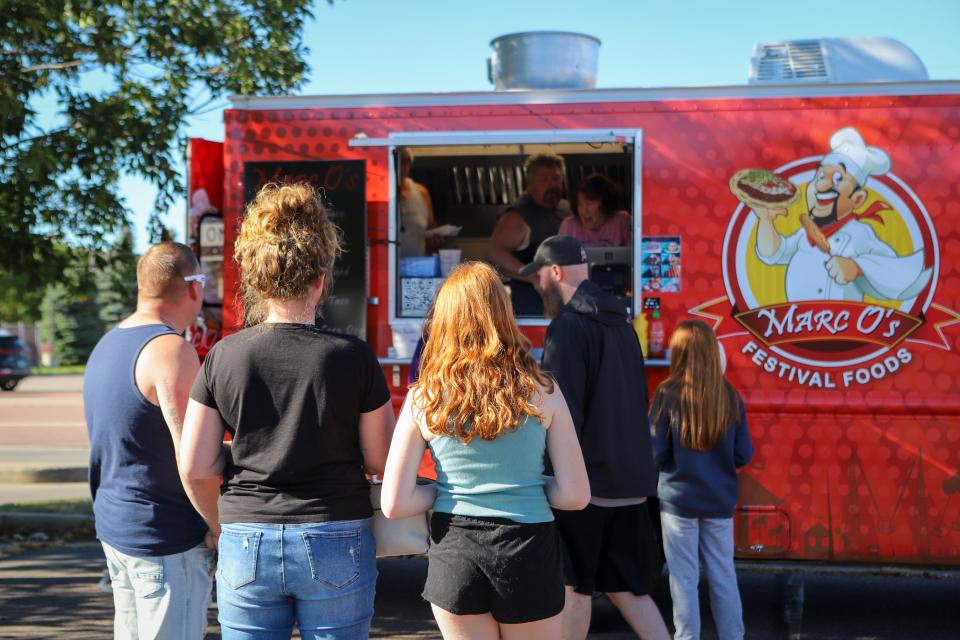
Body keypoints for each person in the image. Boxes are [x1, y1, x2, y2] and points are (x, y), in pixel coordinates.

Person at [179, 182, 395, 640]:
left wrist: (235, 484)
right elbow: (380, 459)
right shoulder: (353, 356)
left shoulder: (224, 355)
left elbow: (194, 462)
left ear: (256, 280)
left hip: (245, 533)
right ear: (321, 278)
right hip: (336, 529)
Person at [381, 261, 590, 639]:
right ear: (503, 315)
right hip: (528, 548)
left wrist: (444, 490)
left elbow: (394, 504)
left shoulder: (422, 397)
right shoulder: (543, 390)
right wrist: (523, 484)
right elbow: (576, 496)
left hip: (455, 550)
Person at [524, 235, 671, 640]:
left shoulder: (567, 328)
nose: (537, 285)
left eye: (538, 275)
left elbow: (561, 413)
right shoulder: (622, 321)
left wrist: (545, 475)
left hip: (587, 486)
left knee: (574, 589)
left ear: (555, 272)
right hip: (632, 483)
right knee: (627, 589)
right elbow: (639, 397)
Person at [84, 241, 214, 639]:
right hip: (165, 540)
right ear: (193, 287)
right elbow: (191, 456)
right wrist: (218, 525)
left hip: (117, 529)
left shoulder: (107, 343)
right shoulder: (171, 350)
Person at [650, 320, 754, 640]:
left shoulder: (667, 394)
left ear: (679, 354)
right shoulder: (730, 396)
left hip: (678, 502)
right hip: (719, 502)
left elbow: (656, 452)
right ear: (712, 352)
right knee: (723, 576)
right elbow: (744, 454)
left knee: (683, 579)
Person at [752, 126, 930, 302]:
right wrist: (765, 221)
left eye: (838, 178)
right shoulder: (806, 233)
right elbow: (773, 253)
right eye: (820, 176)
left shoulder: (861, 233)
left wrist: (858, 267)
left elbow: (893, 270)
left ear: (857, 199)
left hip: (844, 324)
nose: (821, 186)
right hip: (798, 323)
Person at [488, 152, 572, 316]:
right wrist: (532, 277)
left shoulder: (567, 208)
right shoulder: (517, 216)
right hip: (531, 304)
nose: (552, 184)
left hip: (565, 297)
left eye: (556, 178)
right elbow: (494, 252)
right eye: (543, 180)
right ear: (530, 184)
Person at [559, 173, 632, 247]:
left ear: (605, 203)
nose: (584, 211)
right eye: (579, 204)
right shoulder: (568, 226)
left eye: (589, 204)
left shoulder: (622, 221)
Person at [398, 147, 437, 257]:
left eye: (407, 163)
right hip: (384, 270)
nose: (404, 168)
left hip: (416, 270)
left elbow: (430, 231)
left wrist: (435, 239)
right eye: (400, 162)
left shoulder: (421, 192)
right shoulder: (377, 193)